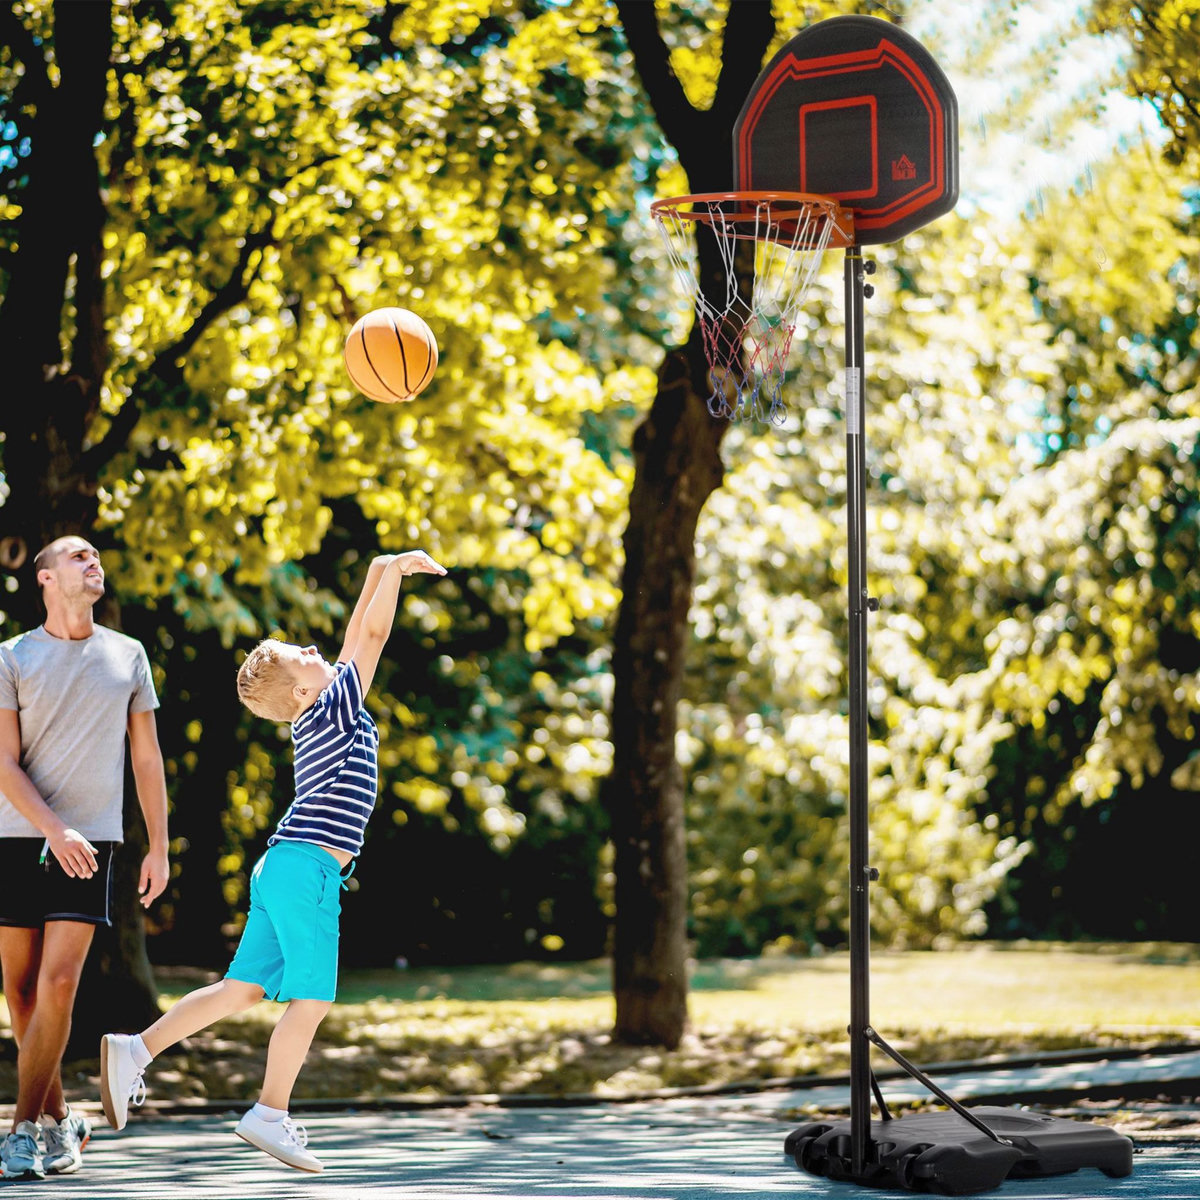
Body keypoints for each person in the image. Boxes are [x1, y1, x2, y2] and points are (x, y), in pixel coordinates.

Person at [100, 549, 446, 1173]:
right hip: (308, 868)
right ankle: (270, 1113)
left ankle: (136, 1050)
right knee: (311, 998)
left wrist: (376, 566)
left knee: (242, 989)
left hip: (281, 866)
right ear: (305, 689)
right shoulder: (337, 701)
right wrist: (395, 576)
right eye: (304, 657)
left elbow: (348, 640)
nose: (317, 653)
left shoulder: (321, 706)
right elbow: (369, 633)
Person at [0, 535, 170, 1180]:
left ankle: (20, 1131)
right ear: (44, 578)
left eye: (95, 556)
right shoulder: (11, 657)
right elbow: (3, 762)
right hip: (16, 838)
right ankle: (58, 1118)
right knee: (19, 991)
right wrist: (52, 829)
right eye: (77, 556)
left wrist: (157, 845)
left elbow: (146, 757)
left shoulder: (128, 655)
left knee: (60, 981)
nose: (92, 562)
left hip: (91, 842)